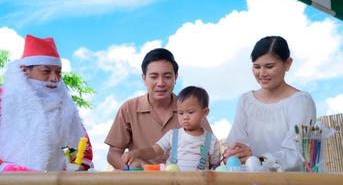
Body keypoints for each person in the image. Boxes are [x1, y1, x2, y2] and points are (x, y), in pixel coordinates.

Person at [105, 48, 212, 169]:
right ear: (144, 78)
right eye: (154, 76)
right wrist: (133, 169)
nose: (160, 83)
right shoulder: (128, 108)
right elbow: (113, 153)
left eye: (167, 76)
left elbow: (210, 150)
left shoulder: (193, 108)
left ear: (175, 77)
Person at [0, 34, 93, 171]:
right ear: (25, 70)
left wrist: (74, 164)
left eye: (58, 72)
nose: (54, 78)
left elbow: (70, 146)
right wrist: (8, 168)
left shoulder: (65, 107)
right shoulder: (4, 99)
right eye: (46, 71)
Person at [223, 36, 316, 170]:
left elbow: (296, 153)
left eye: (269, 66)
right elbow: (236, 143)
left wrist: (255, 160)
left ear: (288, 63)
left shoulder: (301, 101)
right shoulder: (245, 101)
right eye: (256, 67)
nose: (262, 73)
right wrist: (233, 153)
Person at [121, 86, 220, 171]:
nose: (185, 117)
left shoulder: (211, 140)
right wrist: (137, 153)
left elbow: (215, 167)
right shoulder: (173, 135)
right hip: (172, 181)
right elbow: (155, 150)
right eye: (180, 113)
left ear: (205, 112)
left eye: (190, 112)